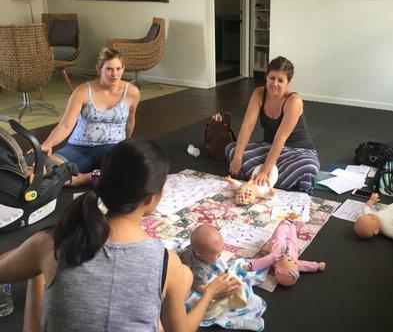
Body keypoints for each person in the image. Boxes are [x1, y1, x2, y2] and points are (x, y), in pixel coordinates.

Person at [0, 139, 239, 332]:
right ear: (150, 199)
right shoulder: (168, 263)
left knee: (37, 275)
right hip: (172, 277)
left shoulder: (51, 243)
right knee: (180, 283)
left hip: (42, 252)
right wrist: (209, 293)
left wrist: (34, 262)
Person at [39, 47, 140, 185]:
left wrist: (126, 146)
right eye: (109, 69)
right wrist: (47, 144)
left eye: (118, 69)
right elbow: (65, 125)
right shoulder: (82, 91)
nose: (114, 74)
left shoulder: (132, 92)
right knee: (47, 167)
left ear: (123, 68)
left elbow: (130, 121)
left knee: (130, 169)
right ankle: (91, 177)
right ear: (99, 69)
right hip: (79, 147)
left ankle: (79, 178)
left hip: (112, 147)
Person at [226, 56, 320, 193]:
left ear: (287, 82)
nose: (274, 83)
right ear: (266, 77)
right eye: (272, 78)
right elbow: (247, 126)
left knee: (308, 167)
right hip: (269, 147)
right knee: (232, 149)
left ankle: (261, 177)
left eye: (280, 80)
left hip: (298, 151)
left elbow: (280, 139)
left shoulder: (294, 101)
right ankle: (274, 180)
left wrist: (264, 171)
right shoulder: (259, 93)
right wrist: (238, 157)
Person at [179, 224, 226, 292]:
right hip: (181, 273)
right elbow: (200, 288)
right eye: (218, 255)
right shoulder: (200, 269)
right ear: (199, 256)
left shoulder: (193, 247)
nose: (220, 255)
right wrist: (216, 288)